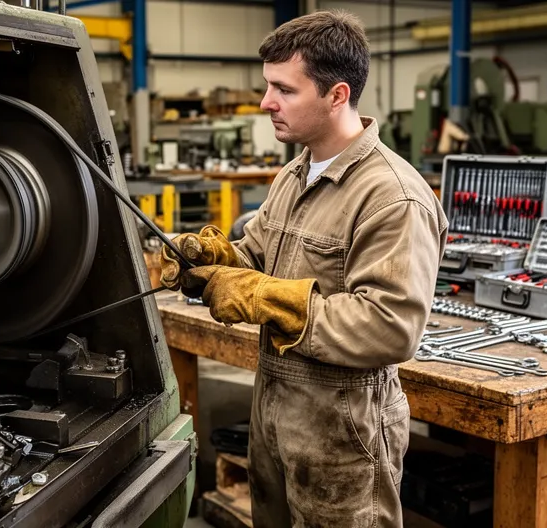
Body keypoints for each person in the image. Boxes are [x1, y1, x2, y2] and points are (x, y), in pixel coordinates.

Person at [159, 10, 448, 528]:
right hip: (276, 410)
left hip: (344, 429)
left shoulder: (393, 197)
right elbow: (258, 256)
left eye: (283, 90)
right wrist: (214, 259)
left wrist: (261, 296)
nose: (266, 102)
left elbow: (389, 327)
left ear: (337, 95)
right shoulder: (295, 173)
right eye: (268, 86)